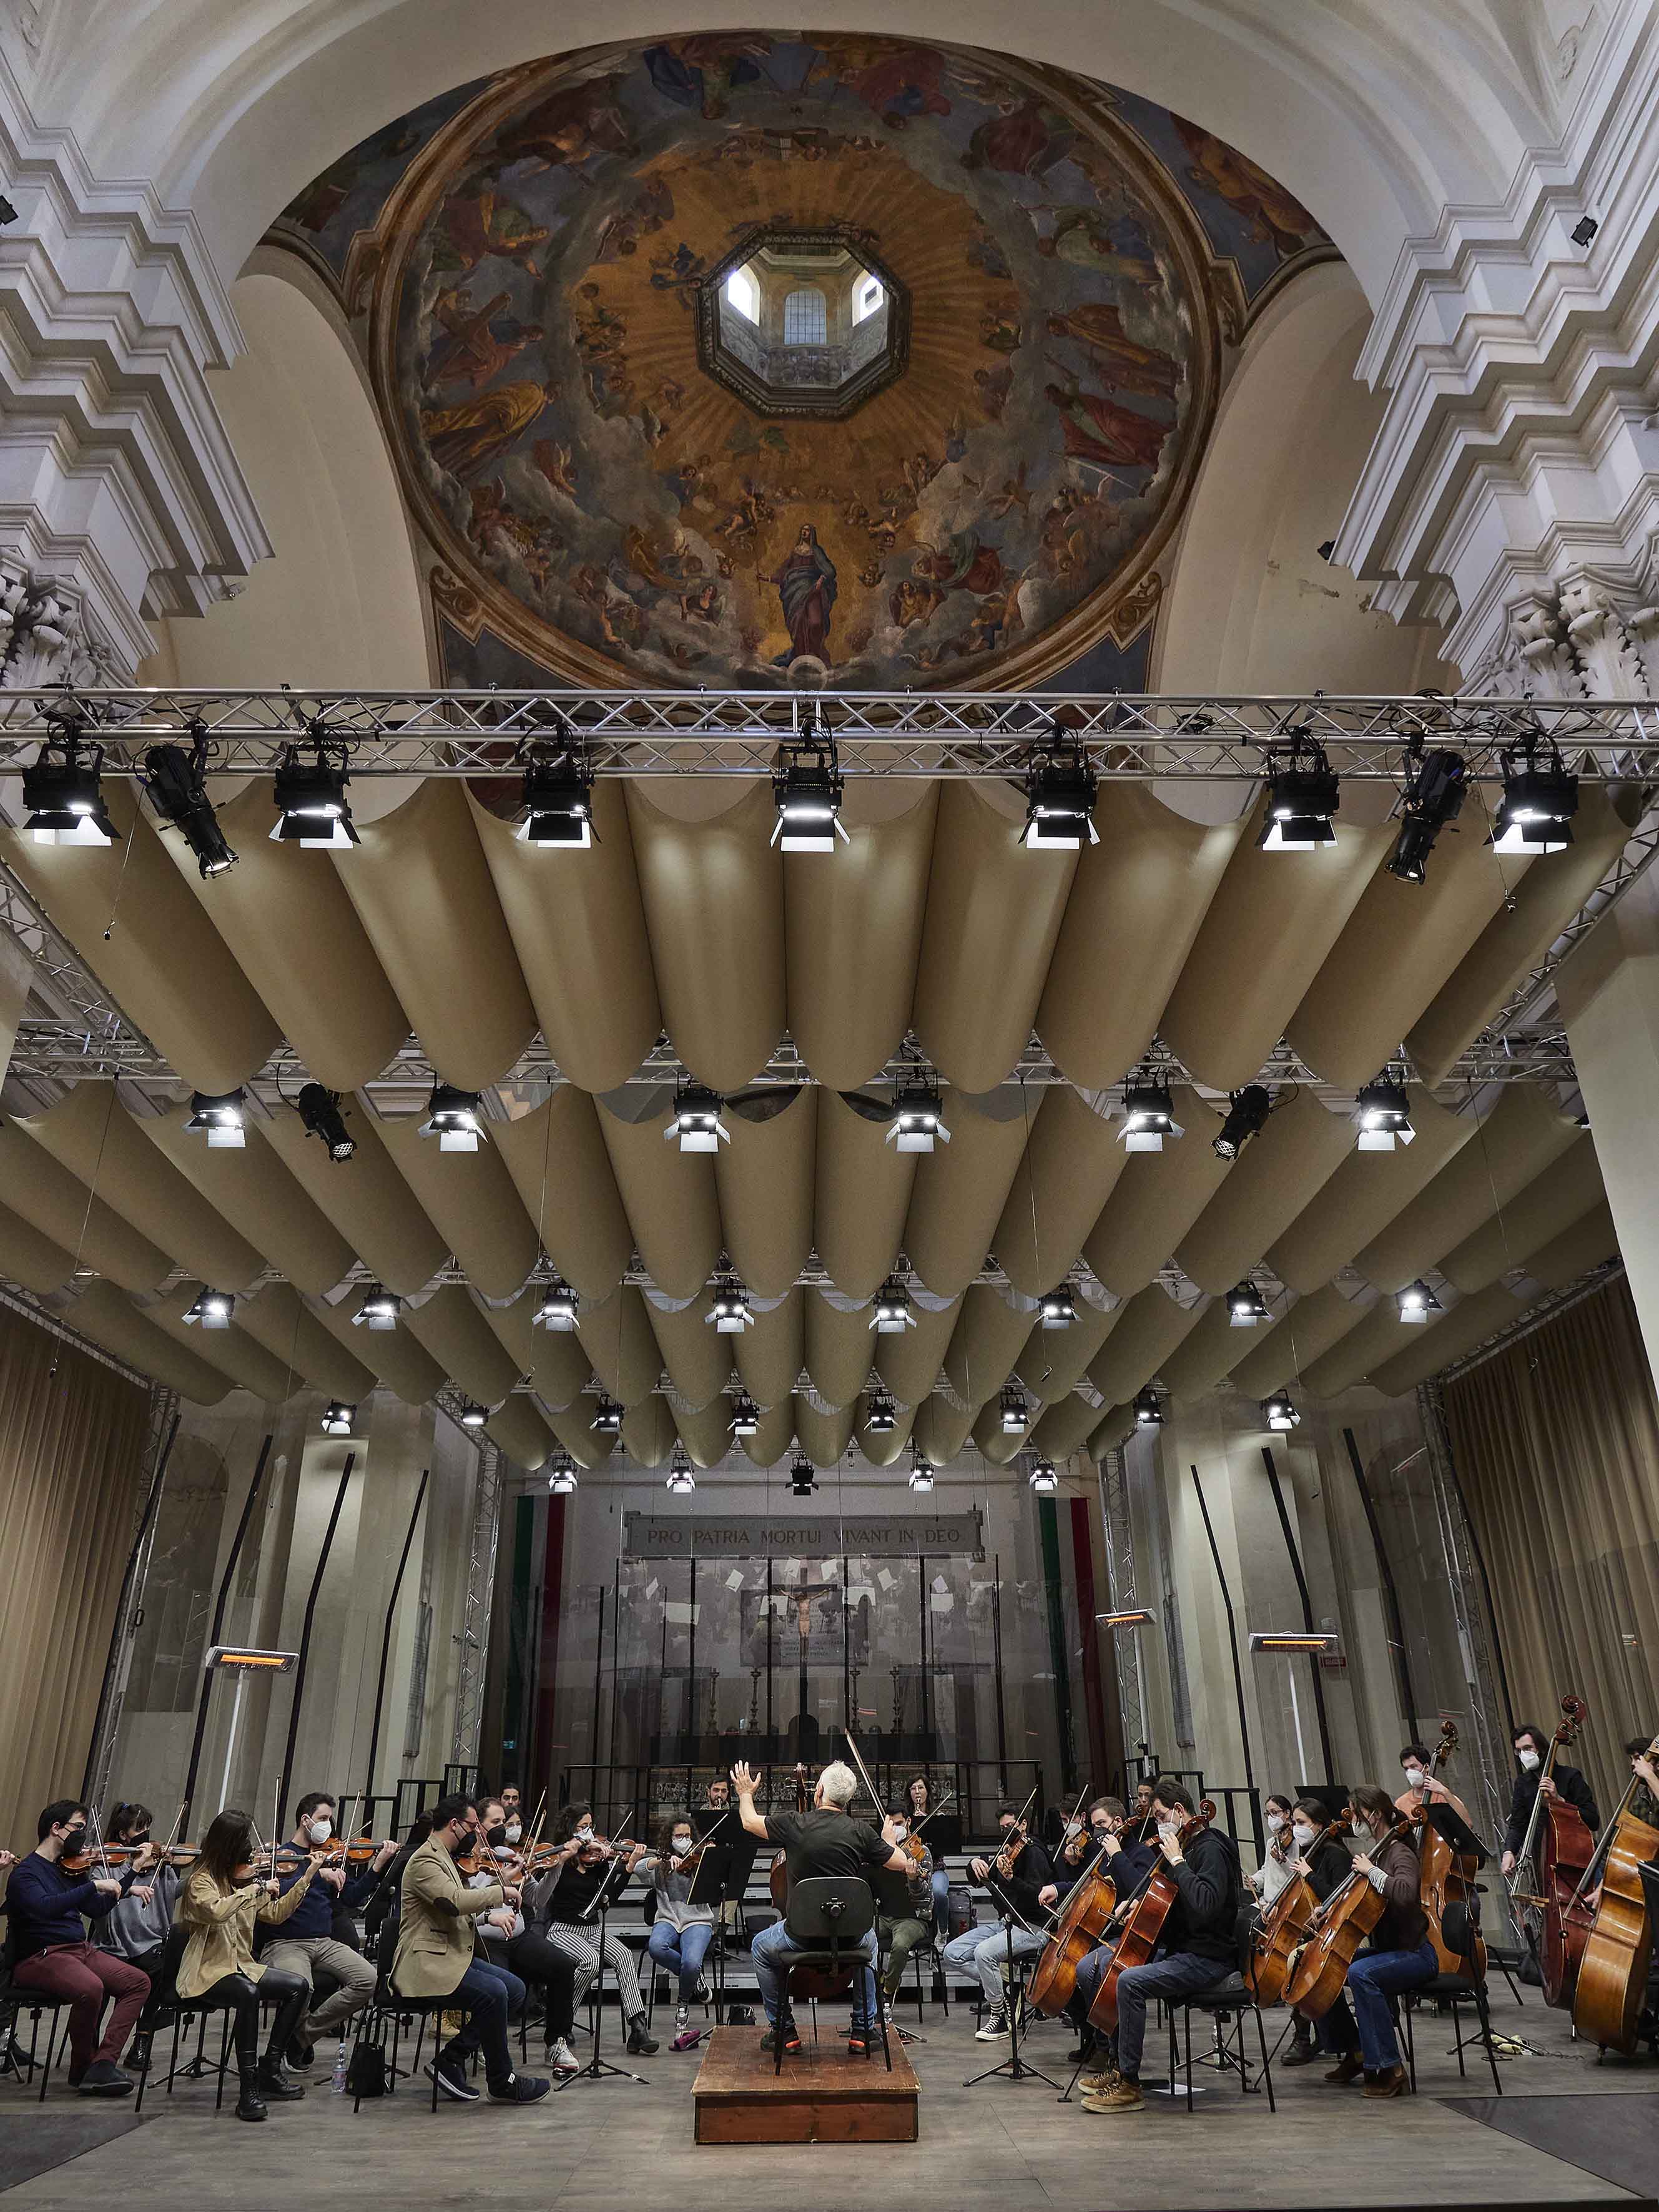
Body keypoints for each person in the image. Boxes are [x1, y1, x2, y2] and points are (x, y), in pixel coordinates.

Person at [1080, 1777, 1241, 2116]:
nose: (1157, 1823)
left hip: (1209, 1958)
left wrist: (1179, 1862)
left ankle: (1129, 2083)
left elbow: (1207, 1905)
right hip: (1186, 1949)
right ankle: (1116, 2063)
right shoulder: (1186, 1847)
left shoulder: (1210, 1849)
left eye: (1160, 1815)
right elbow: (1174, 1905)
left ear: (1180, 1811)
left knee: (1130, 1981)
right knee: (1111, 1967)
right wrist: (1138, 1904)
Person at [732, 1757, 908, 2057]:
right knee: (872, 1942)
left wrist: (746, 1792)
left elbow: (749, 1821)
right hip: (850, 1936)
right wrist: (887, 1841)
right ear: (848, 1799)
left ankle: (784, 2031)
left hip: (801, 1936)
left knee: (761, 1947)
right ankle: (863, 2031)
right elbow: (902, 1863)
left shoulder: (795, 1824)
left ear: (820, 1791)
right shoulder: (861, 1831)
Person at [393, 1791, 548, 2105]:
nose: (478, 1833)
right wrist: (499, 1893)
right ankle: (502, 2082)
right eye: (473, 1826)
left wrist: (500, 1885)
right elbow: (454, 1902)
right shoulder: (425, 1860)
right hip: (426, 1962)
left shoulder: (445, 1858)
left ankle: (451, 2060)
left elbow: (466, 1907)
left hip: (450, 1955)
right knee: (496, 1993)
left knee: (515, 1989)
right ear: (455, 1824)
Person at [173, 1809, 317, 2122]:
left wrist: (305, 1877)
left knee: (298, 1987)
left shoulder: (244, 1878)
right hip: (208, 1971)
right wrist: (254, 1890)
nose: (250, 1850)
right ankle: (247, 2088)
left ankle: (270, 2067)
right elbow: (215, 1912)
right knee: (249, 1994)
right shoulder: (201, 1882)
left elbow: (276, 1914)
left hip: (243, 1966)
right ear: (227, 1844)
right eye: (243, 1841)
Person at [6, 1800, 150, 2096]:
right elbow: (43, 1909)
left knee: (138, 1982)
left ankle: (103, 2064)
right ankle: (82, 2069)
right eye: (79, 1828)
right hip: (42, 1956)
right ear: (56, 1829)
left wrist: (132, 1872)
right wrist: (94, 1886)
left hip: (79, 1950)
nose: (83, 1837)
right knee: (91, 1988)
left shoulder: (72, 1869)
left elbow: (97, 1909)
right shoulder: (26, 1873)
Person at [1312, 1784, 1437, 2098]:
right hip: (1390, 1950)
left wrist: (1372, 1872)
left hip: (1415, 1954)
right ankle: (1355, 2050)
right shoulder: (1379, 1853)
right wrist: (1327, 1912)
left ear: (1375, 1815)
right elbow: (1359, 1903)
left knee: (1360, 1974)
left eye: (1357, 1814)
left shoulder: (1398, 1852)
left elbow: (1407, 1894)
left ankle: (1390, 2068)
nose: (1353, 1820)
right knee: (1327, 1964)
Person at [259, 1793, 395, 2068]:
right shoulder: (282, 1856)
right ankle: (287, 2047)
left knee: (367, 1979)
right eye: (323, 1819)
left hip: (323, 1942)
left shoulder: (327, 1856)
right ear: (305, 1820)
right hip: (286, 1943)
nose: (328, 1826)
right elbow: (276, 1893)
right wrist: (314, 1873)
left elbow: (350, 1899)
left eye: (330, 1820)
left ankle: (300, 2038)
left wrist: (378, 1865)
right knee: (302, 1987)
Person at [529, 1802, 658, 2055]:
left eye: (590, 1827)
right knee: (590, 1962)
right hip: (563, 1930)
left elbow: (608, 1898)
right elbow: (543, 1893)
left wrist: (628, 1869)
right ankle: (562, 2019)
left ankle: (638, 2027)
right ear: (570, 1830)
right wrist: (567, 1855)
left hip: (592, 1929)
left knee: (624, 1955)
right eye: (582, 1827)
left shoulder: (598, 1862)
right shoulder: (560, 1860)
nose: (588, 1833)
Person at [468, 1796, 579, 2076]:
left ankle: (556, 2041)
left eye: (504, 1822)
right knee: (500, 1989)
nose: (503, 1828)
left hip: (517, 1937)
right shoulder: (466, 1862)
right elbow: (468, 1904)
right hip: (484, 1940)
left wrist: (557, 1866)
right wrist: (502, 1880)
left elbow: (537, 1899)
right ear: (478, 1826)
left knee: (562, 1966)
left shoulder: (507, 1852)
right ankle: (485, 2046)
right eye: (496, 1823)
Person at [940, 1801, 1056, 2042]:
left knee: (984, 1953)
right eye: (1003, 1828)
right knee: (953, 1952)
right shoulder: (1006, 1851)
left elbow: (1039, 1895)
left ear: (1024, 1824)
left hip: (1034, 1927)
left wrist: (1012, 1880)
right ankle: (1009, 1989)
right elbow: (979, 1878)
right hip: (1007, 1923)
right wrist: (974, 1865)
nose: (1007, 1833)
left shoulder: (1035, 1852)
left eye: (1012, 1827)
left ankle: (1000, 2017)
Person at [1278, 1797, 1354, 2068]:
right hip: (1319, 1930)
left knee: (1298, 1964)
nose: (1296, 1828)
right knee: (1295, 1959)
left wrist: (1309, 1874)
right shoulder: (1310, 1852)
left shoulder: (1335, 1853)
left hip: (1341, 1934)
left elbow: (1341, 1897)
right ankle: (1320, 2034)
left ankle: (1304, 2037)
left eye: (1302, 1823)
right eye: (1294, 1823)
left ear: (1319, 1825)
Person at [643, 1814, 715, 2044]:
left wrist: (709, 1860)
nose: (684, 1840)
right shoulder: (662, 1862)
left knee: (692, 1962)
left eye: (687, 1836)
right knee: (656, 1947)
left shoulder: (700, 1858)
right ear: (670, 1839)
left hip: (698, 1919)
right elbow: (638, 1868)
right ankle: (695, 1981)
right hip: (668, 1917)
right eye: (678, 1836)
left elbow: (716, 1885)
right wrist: (660, 1860)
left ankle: (683, 2002)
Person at [1501, 1721, 1600, 1875]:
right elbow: (1517, 1825)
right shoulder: (1522, 1783)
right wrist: (1509, 1851)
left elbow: (1593, 1820)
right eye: (1519, 1751)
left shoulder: (1570, 1776)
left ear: (1541, 1748)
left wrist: (1559, 1801)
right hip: (1544, 1862)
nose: (1524, 1755)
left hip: (1579, 1859)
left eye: (1528, 1749)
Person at [877, 1806, 934, 2020]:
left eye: (899, 1824)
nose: (896, 1829)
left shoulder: (922, 1852)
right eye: (891, 1825)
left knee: (900, 1946)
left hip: (913, 1918)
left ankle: (887, 1992)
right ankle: (872, 1987)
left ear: (908, 1822)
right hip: (885, 1915)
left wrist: (913, 1881)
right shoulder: (882, 1851)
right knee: (858, 1937)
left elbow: (926, 1896)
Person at [904, 1775, 952, 1940]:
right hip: (911, 1871)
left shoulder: (938, 1816)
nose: (917, 1792)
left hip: (936, 1869)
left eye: (921, 1788)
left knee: (939, 1892)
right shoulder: (905, 1819)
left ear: (927, 1791)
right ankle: (911, 1935)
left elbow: (944, 1846)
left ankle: (943, 1932)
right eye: (913, 1788)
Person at [1394, 1743, 1473, 1827]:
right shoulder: (1400, 1804)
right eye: (1406, 1769)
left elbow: (1468, 1824)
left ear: (1427, 1767)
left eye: (1414, 1767)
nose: (1409, 1772)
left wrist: (1445, 1791)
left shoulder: (1443, 1797)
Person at [1246, 1794, 1299, 1911]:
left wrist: (1283, 1860)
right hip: (1266, 1901)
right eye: (1268, 1814)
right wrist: (1255, 1880)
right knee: (1241, 1921)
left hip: (1284, 1903)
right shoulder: (1272, 1842)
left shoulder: (1296, 1842)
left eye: (1274, 1813)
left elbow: (1297, 1875)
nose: (1271, 1818)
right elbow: (1267, 1869)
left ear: (1287, 1813)